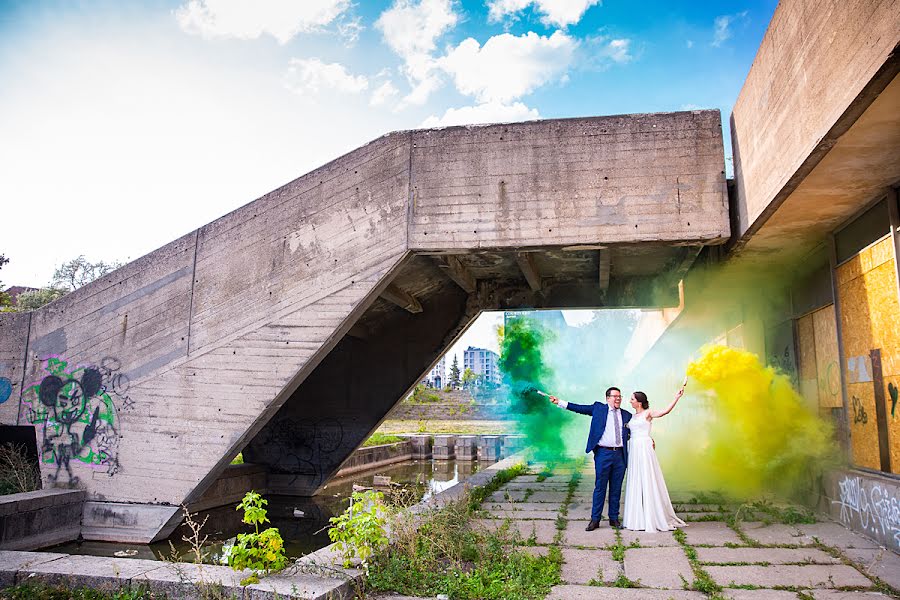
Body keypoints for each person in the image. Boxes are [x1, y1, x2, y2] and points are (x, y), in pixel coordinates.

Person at [549, 387, 630, 530]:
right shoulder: (598, 409)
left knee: (616, 488)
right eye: (615, 396)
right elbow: (579, 408)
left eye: (620, 396)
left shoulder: (626, 415)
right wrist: (559, 402)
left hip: (619, 456)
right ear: (607, 398)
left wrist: (648, 439)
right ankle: (595, 519)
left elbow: (637, 428)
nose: (618, 399)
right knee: (600, 487)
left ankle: (614, 518)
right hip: (603, 454)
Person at [622, 388, 686, 532]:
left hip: (644, 447)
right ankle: (637, 517)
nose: (630, 401)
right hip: (634, 447)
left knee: (647, 477)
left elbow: (665, 411)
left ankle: (652, 516)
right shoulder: (631, 416)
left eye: (632, 399)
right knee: (636, 479)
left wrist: (677, 397)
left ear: (639, 401)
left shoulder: (648, 413)